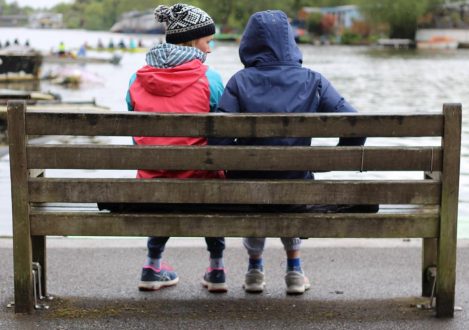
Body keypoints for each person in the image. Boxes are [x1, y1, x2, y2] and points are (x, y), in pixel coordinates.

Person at [211, 10, 368, 295]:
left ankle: (254, 271)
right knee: (296, 180)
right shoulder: (313, 80)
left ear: (249, 43)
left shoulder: (239, 81)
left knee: (253, 182)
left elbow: (218, 140)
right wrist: (338, 157)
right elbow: (355, 124)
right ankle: (294, 270)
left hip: (248, 192)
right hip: (296, 192)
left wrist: (240, 163)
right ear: (290, 42)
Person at [99, 3, 226, 293]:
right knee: (213, 174)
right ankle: (217, 268)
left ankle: (152, 265)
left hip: (152, 183)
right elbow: (221, 132)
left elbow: (137, 135)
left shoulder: (136, 79)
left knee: (161, 175)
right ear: (194, 41)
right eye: (208, 41)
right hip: (201, 184)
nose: (210, 49)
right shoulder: (211, 79)